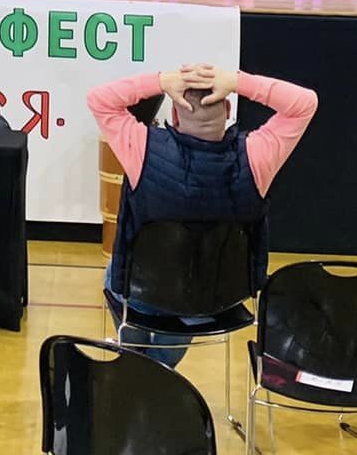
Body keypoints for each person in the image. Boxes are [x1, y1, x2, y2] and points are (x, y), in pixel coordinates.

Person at [87, 63, 319, 366]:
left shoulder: (142, 147)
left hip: (143, 294)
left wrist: (161, 81)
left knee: (120, 276)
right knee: (188, 293)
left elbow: (99, 98)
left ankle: (137, 360)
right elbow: (305, 103)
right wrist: (238, 82)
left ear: (174, 115)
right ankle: (160, 366)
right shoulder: (256, 156)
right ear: (227, 109)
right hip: (218, 299)